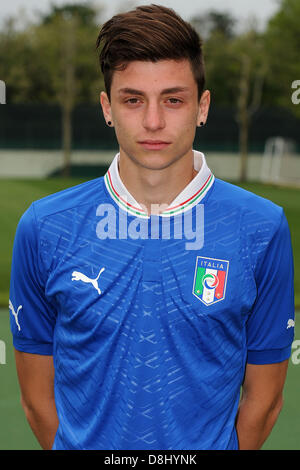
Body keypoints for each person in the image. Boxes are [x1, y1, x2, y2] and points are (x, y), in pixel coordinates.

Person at [9, 4, 295, 451]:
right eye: (133, 99)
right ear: (107, 108)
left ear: (202, 107)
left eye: (173, 99)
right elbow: (35, 399)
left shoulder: (261, 227)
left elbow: (265, 399)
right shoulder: (44, 226)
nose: (154, 122)